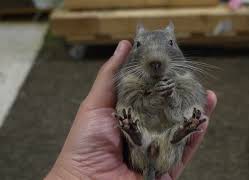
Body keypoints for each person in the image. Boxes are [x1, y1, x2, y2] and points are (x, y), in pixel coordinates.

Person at [44, 41, 217, 180]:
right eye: (140, 45)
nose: (156, 61)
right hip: (143, 152)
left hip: (166, 145)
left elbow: (176, 111)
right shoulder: (129, 80)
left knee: (192, 107)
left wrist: (171, 95)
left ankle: (164, 134)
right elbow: (140, 106)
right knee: (127, 108)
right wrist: (155, 96)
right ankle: (142, 136)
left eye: (169, 44)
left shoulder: (185, 79)